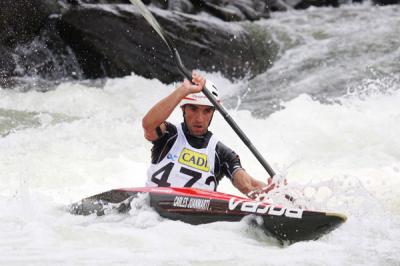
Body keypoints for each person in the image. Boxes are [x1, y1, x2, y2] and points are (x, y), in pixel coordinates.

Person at [142, 72, 273, 199]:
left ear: (213, 112)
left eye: (207, 111)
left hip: (190, 220)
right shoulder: (169, 135)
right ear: (183, 109)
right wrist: (183, 91)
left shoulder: (221, 153)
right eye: (193, 109)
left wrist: (274, 191)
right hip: (151, 214)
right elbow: (148, 125)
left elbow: (249, 186)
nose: (199, 119)